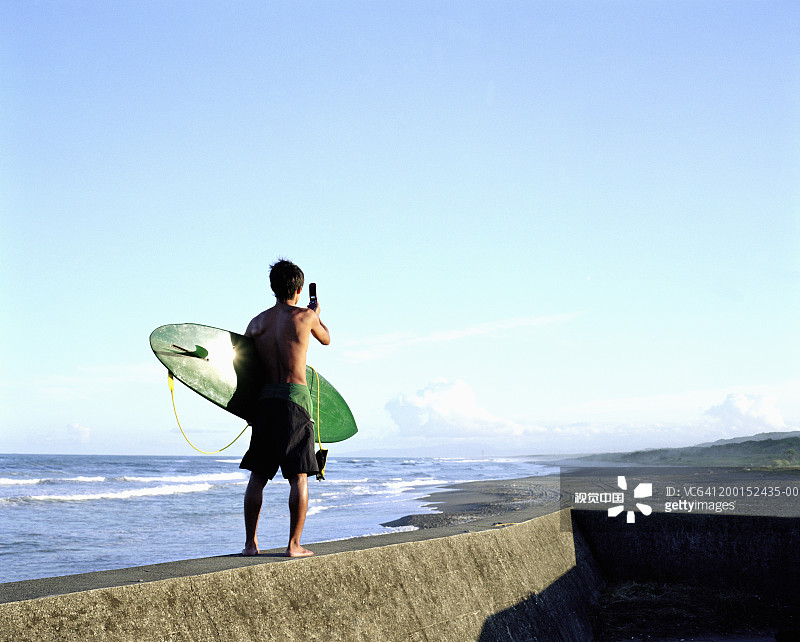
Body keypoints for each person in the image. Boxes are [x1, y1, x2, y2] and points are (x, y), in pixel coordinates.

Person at [239, 259, 330, 557]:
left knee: (258, 476)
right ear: (300, 289)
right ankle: (294, 545)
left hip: (264, 401)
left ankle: (250, 544)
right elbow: (327, 339)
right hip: (295, 400)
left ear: (272, 287)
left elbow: (244, 365)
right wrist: (317, 314)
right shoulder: (306, 317)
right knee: (299, 475)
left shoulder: (256, 323)